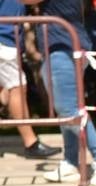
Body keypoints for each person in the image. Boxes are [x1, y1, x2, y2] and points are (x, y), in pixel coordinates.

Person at [23, 0, 96, 184]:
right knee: (66, 108)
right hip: (61, 47)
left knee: (69, 108)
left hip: (64, 48)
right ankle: (70, 162)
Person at [0, 0, 60, 158]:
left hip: (7, 40)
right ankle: (31, 143)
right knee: (17, 88)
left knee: (8, 90)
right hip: (4, 41)